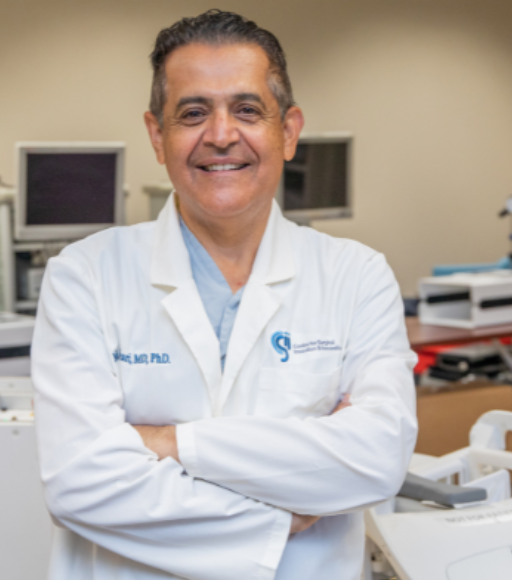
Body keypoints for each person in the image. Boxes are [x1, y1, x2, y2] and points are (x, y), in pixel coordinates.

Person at [31, 9, 417, 580]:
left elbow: (377, 459)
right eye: (192, 113)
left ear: (287, 132)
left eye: (247, 110)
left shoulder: (356, 276)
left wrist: (168, 442)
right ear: (157, 136)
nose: (220, 135)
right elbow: (79, 484)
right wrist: (281, 513)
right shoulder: (84, 276)